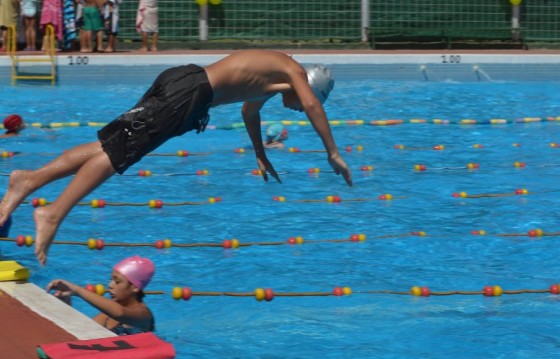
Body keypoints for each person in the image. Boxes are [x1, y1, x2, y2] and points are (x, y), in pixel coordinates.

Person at [0, 49, 352, 266]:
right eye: (313, 98)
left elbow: (249, 111)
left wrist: (260, 153)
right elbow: (308, 104)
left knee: (111, 144)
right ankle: (53, 214)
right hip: (190, 95)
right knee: (116, 154)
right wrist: (332, 152)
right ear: (310, 85)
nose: (299, 108)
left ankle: (28, 180)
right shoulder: (291, 71)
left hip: (185, 82)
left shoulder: (273, 75)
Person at [47, 256, 155, 335]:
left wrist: (77, 290)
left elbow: (120, 313)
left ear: (135, 287)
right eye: (110, 280)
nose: (110, 285)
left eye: (117, 282)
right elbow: (81, 330)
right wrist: (66, 300)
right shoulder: (109, 312)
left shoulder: (144, 315)